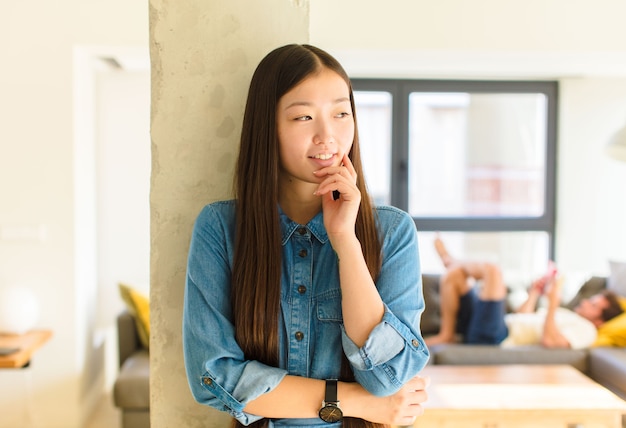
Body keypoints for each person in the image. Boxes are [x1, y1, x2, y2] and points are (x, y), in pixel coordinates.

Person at [182, 44, 430, 428]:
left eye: (341, 113)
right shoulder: (220, 228)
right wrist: (352, 401)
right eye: (303, 117)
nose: (327, 135)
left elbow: (385, 378)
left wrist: (345, 241)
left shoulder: (393, 232)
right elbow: (216, 378)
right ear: (268, 126)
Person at [425, 237, 624, 349]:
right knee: (455, 278)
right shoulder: (569, 316)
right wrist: (535, 294)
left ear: (599, 321)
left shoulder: (587, 331)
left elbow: (551, 342)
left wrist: (553, 304)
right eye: (591, 300)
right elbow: (523, 316)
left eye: (594, 305)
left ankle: (449, 260)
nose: (587, 302)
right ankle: (447, 334)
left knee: (493, 270)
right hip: (496, 325)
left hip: (496, 336)